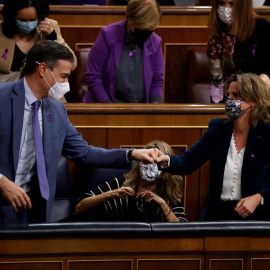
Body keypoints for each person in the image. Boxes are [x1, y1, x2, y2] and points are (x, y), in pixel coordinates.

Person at [0, 40, 161, 224]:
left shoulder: (56, 110)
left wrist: (131, 153)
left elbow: (84, 153)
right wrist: (1, 181)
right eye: (63, 76)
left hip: (30, 207)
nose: (66, 84)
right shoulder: (2, 98)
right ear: (43, 69)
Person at [157, 73, 270, 221]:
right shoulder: (218, 130)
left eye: (236, 95)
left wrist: (259, 197)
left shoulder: (266, 132)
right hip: (218, 216)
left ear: (254, 101)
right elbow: (188, 162)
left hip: (256, 217)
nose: (229, 100)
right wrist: (165, 160)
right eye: (228, 95)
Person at [74, 140, 187, 222]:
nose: (150, 167)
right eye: (147, 162)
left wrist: (162, 204)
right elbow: (79, 208)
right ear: (139, 163)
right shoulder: (122, 183)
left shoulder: (170, 191)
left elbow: (180, 229)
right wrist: (109, 194)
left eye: (156, 163)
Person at [83, 0, 164, 103]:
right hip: (105, 107)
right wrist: (110, 110)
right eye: (142, 28)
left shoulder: (154, 42)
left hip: (140, 111)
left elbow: (157, 80)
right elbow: (93, 76)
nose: (147, 34)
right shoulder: (108, 36)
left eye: (150, 30)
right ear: (130, 19)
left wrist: (155, 110)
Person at [206, 0, 270, 103]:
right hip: (232, 101)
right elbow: (217, 83)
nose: (226, 8)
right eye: (222, 3)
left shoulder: (262, 27)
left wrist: (267, 75)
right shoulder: (216, 38)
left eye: (231, 4)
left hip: (261, 99)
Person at [0, 0, 77, 84]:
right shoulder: (1, 30)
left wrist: (52, 37)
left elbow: (72, 64)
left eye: (33, 19)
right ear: (12, 17)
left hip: (43, 89)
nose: (28, 24)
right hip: (7, 88)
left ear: (40, 17)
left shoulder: (50, 26)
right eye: (22, 20)